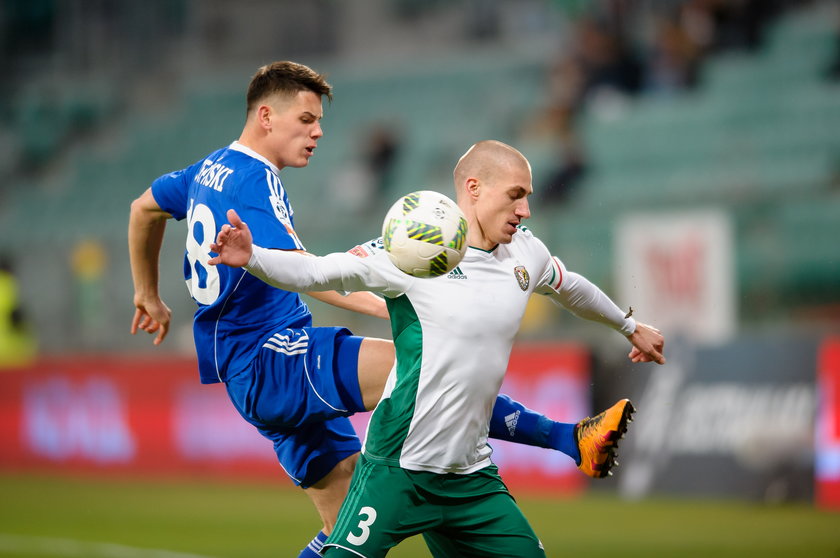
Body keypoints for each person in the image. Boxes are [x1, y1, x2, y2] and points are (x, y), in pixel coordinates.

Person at [127, 61, 659, 557]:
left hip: (247, 372)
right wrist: (405, 302)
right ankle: (565, 438)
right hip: (274, 357)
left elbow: (142, 208)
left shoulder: (206, 170)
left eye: (319, 122)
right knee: (419, 369)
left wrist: (147, 292)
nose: (317, 132)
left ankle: (557, 445)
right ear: (266, 116)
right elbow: (308, 273)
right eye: (306, 119)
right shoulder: (254, 178)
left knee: (340, 532)